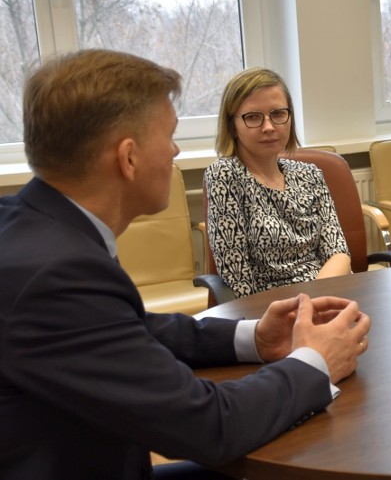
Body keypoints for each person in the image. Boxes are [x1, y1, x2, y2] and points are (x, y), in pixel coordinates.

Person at [0, 49, 371, 479]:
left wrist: (255, 337)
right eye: (170, 136)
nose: (176, 151)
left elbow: (131, 327)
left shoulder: (33, 229)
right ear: (128, 157)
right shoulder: (55, 275)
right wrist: (314, 361)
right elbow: (212, 427)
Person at [205, 68, 351, 298]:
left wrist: (314, 303)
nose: (269, 126)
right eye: (253, 117)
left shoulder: (310, 174)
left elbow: (338, 253)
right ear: (232, 125)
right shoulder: (225, 175)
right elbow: (237, 279)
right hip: (271, 312)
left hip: (326, 296)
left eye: (278, 114)